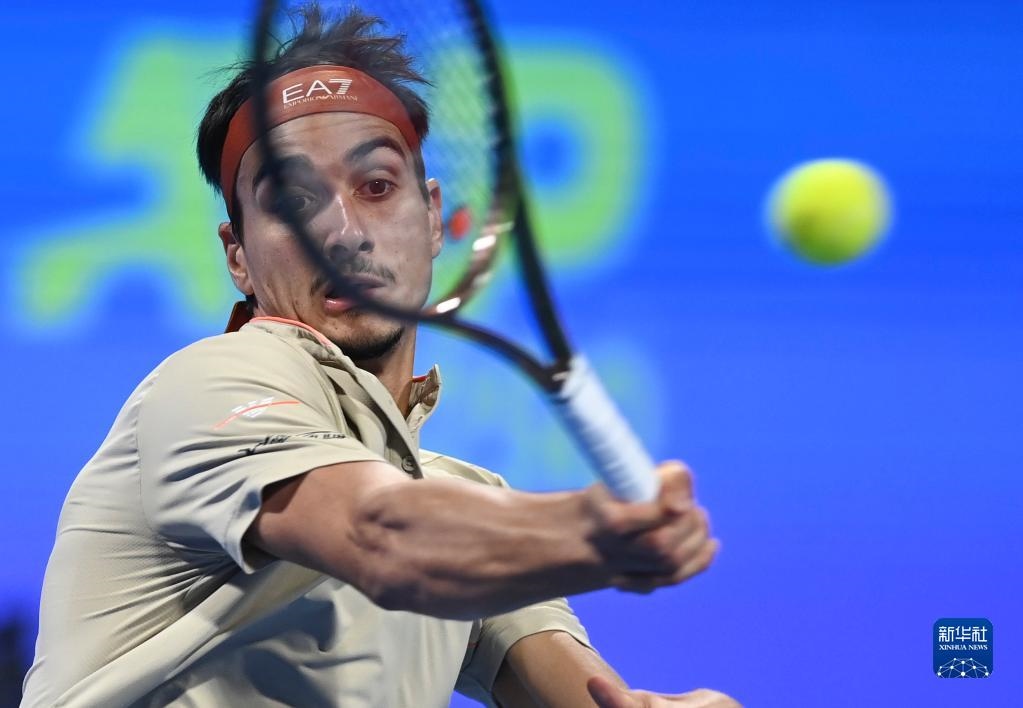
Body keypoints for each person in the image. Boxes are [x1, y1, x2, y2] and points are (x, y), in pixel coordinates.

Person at [22, 5, 739, 707]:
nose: (342, 233)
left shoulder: (468, 506)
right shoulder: (206, 387)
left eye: (376, 186)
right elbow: (383, 535)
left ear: (432, 217)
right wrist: (590, 531)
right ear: (237, 255)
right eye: (293, 202)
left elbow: (586, 693)